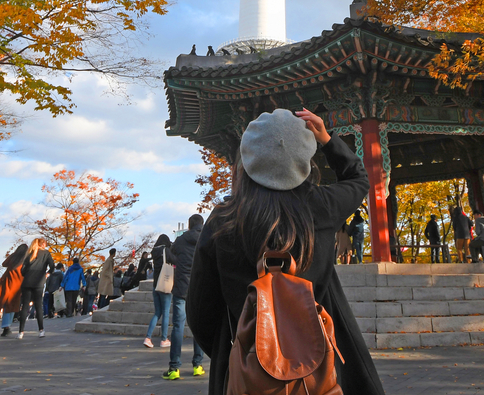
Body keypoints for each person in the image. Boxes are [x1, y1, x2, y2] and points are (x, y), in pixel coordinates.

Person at [187, 108, 385, 395]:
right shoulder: (322, 206)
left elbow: (200, 313)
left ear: (248, 158)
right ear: (303, 158)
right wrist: (328, 140)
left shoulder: (223, 220)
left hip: (244, 367)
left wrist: (238, 351)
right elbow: (359, 180)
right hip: (318, 366)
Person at [164, 214, 205, 380]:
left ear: (189, 225)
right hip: (200, 290)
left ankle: (174, 368)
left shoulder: (180, 241)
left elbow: (172, 257)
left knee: (178, 327)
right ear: (202, 225)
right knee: (199, 329)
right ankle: (198, 365)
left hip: (181, 288)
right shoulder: (207, 239)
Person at [16, 238, 54, 339]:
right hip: (39, 282)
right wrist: (47, 274)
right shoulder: (46, 254)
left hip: (27, 282)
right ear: (44, 244)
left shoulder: (30, 253)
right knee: (38, 306)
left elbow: (23, 271)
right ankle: (41, 330)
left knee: (25, 306)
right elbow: (52, 266)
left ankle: (21, 332)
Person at [143, 234, 173, 349]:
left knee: (157, 313)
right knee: (165, 313)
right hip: (165, 284)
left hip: (156, 285)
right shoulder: (166, 250)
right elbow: (175, 260)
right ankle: (164, 339)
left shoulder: (154, 252)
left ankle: (148, 337)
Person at [0, 244, 28, 337]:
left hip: (6, 282)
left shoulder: (13, 257)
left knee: (5, 304)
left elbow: (4, 264)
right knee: (12, 306)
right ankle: (6, 326)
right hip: (17, 285)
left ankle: (6, 327)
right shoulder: (25, 260)